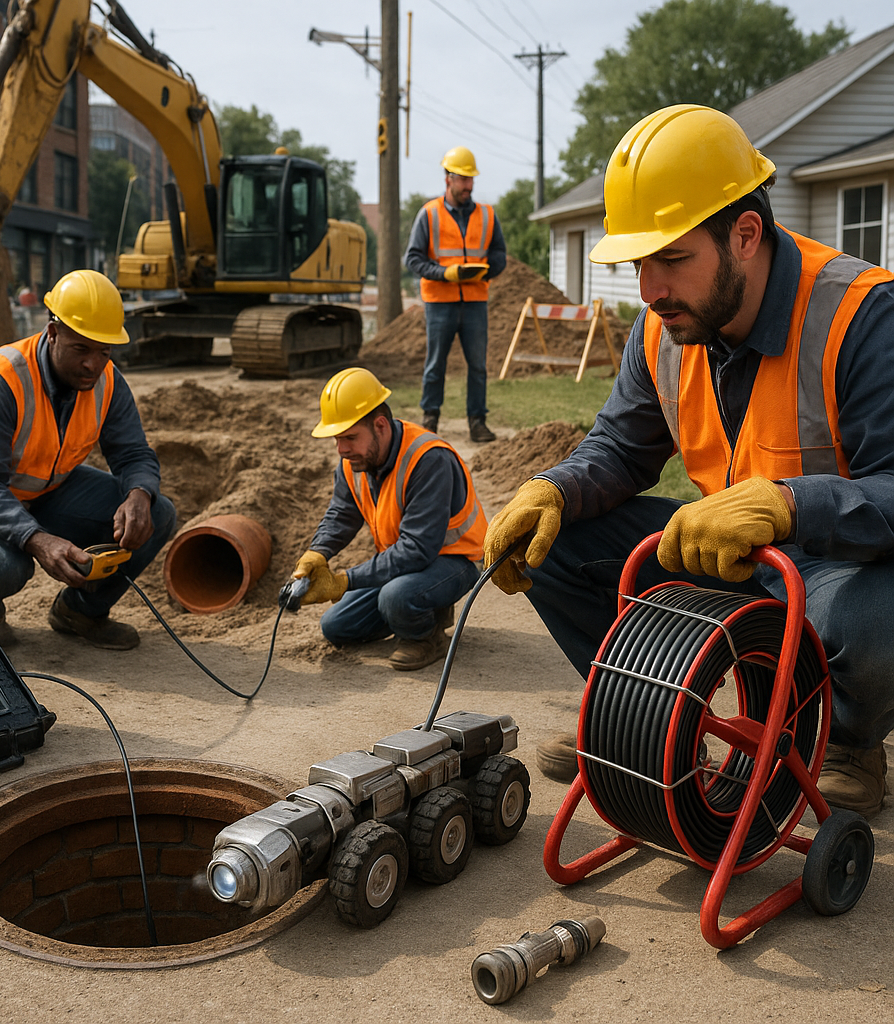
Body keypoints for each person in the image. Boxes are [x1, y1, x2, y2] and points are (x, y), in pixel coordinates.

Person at [483, 104, 894, 819]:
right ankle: (646, 713)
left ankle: (845, 743)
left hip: (833, 568)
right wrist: (553, 487)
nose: (649, 289)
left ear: (744, 235)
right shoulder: (663, 328)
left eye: (671, 259)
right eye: (640, 263)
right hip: (724, 558)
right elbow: (618, 450)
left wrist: (790, 504)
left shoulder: (863, 315)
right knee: (553, 544)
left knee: (874, 614)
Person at [0, 269, 177, 651]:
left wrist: (140, 492)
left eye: (104, 351)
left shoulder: (107, 381)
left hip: (45, 488)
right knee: (5, 567)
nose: (94, 364)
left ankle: (80, 612)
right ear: (53, 332)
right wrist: (38, 540)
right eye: (82, 349)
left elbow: (132, 453)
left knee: (158, 515)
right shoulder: (2, 379)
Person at [292, 366, 488, 671]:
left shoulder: (429, 459)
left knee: (396, 597)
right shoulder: (354, 461)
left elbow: (417, 549)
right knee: (336, 626)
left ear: (380, 425)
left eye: (350, 437)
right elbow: (341, 514)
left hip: (455, 561)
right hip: (403, 562)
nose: (342, 449)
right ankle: (417, 607)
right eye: (336, 439)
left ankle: (425, 637)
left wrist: (345, 581)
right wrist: (317, 552)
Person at [404, 145, 506, 443]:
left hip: (475, 301)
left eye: (471, 179)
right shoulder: (429, 214)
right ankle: (430, 420)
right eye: (462, 179)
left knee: (478, 366)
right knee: (436, 363)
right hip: (439, 303)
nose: (468, 185)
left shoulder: (487, 214)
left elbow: (499, 253)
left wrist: (485, 270)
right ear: (447, 178)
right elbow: (413, 258)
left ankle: (477, 422)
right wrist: (443, 273)